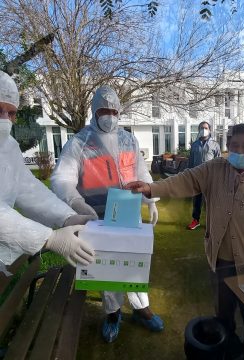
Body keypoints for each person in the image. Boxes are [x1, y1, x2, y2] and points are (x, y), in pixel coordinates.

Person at [126, 124, 244, 358]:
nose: (238, 152)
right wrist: (151, 187)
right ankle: (228, 352)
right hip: (221, 264)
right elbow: (184, 181)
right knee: (223, 319)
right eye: (234, 146)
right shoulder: (214, 170)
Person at [51, 85, 164, 343]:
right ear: (94, 111)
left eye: (114, 111)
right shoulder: (79, 143)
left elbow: (141, 173)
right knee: (108, 268)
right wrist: (78, 204)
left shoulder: (129, 139)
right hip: (97, 218)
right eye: (104, 110)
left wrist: (151, 199)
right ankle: (113, 314)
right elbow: (61, 179)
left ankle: (140, 308)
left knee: (135, 261)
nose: (109, 116)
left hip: (129, 212)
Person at [0, 70, 96, 268]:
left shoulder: (8, 146)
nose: (5, 119)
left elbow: (28, 190)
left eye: (11, 113)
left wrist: (67, 217)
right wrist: (49, 238)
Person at [187, 121, 220, 230]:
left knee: (210, 201)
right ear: (199, 130)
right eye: (201, 128)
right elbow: (190, 161)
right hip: (197, 177)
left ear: (209, 130)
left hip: (210, 178)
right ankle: (195, 220)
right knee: (197, 200)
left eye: (206, 128)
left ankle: (211, 222)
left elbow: (219, 162)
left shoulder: (215, 145)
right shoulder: (195, 145)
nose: (204, 129)